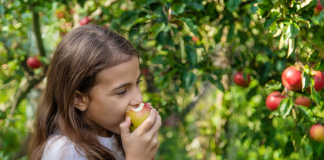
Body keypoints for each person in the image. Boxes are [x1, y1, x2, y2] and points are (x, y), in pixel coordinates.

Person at [28, 25, 161, 160]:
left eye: (138, 82)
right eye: (121, 91)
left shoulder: (118, 137)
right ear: (79, 99)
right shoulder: (66, 152)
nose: (139, 98)